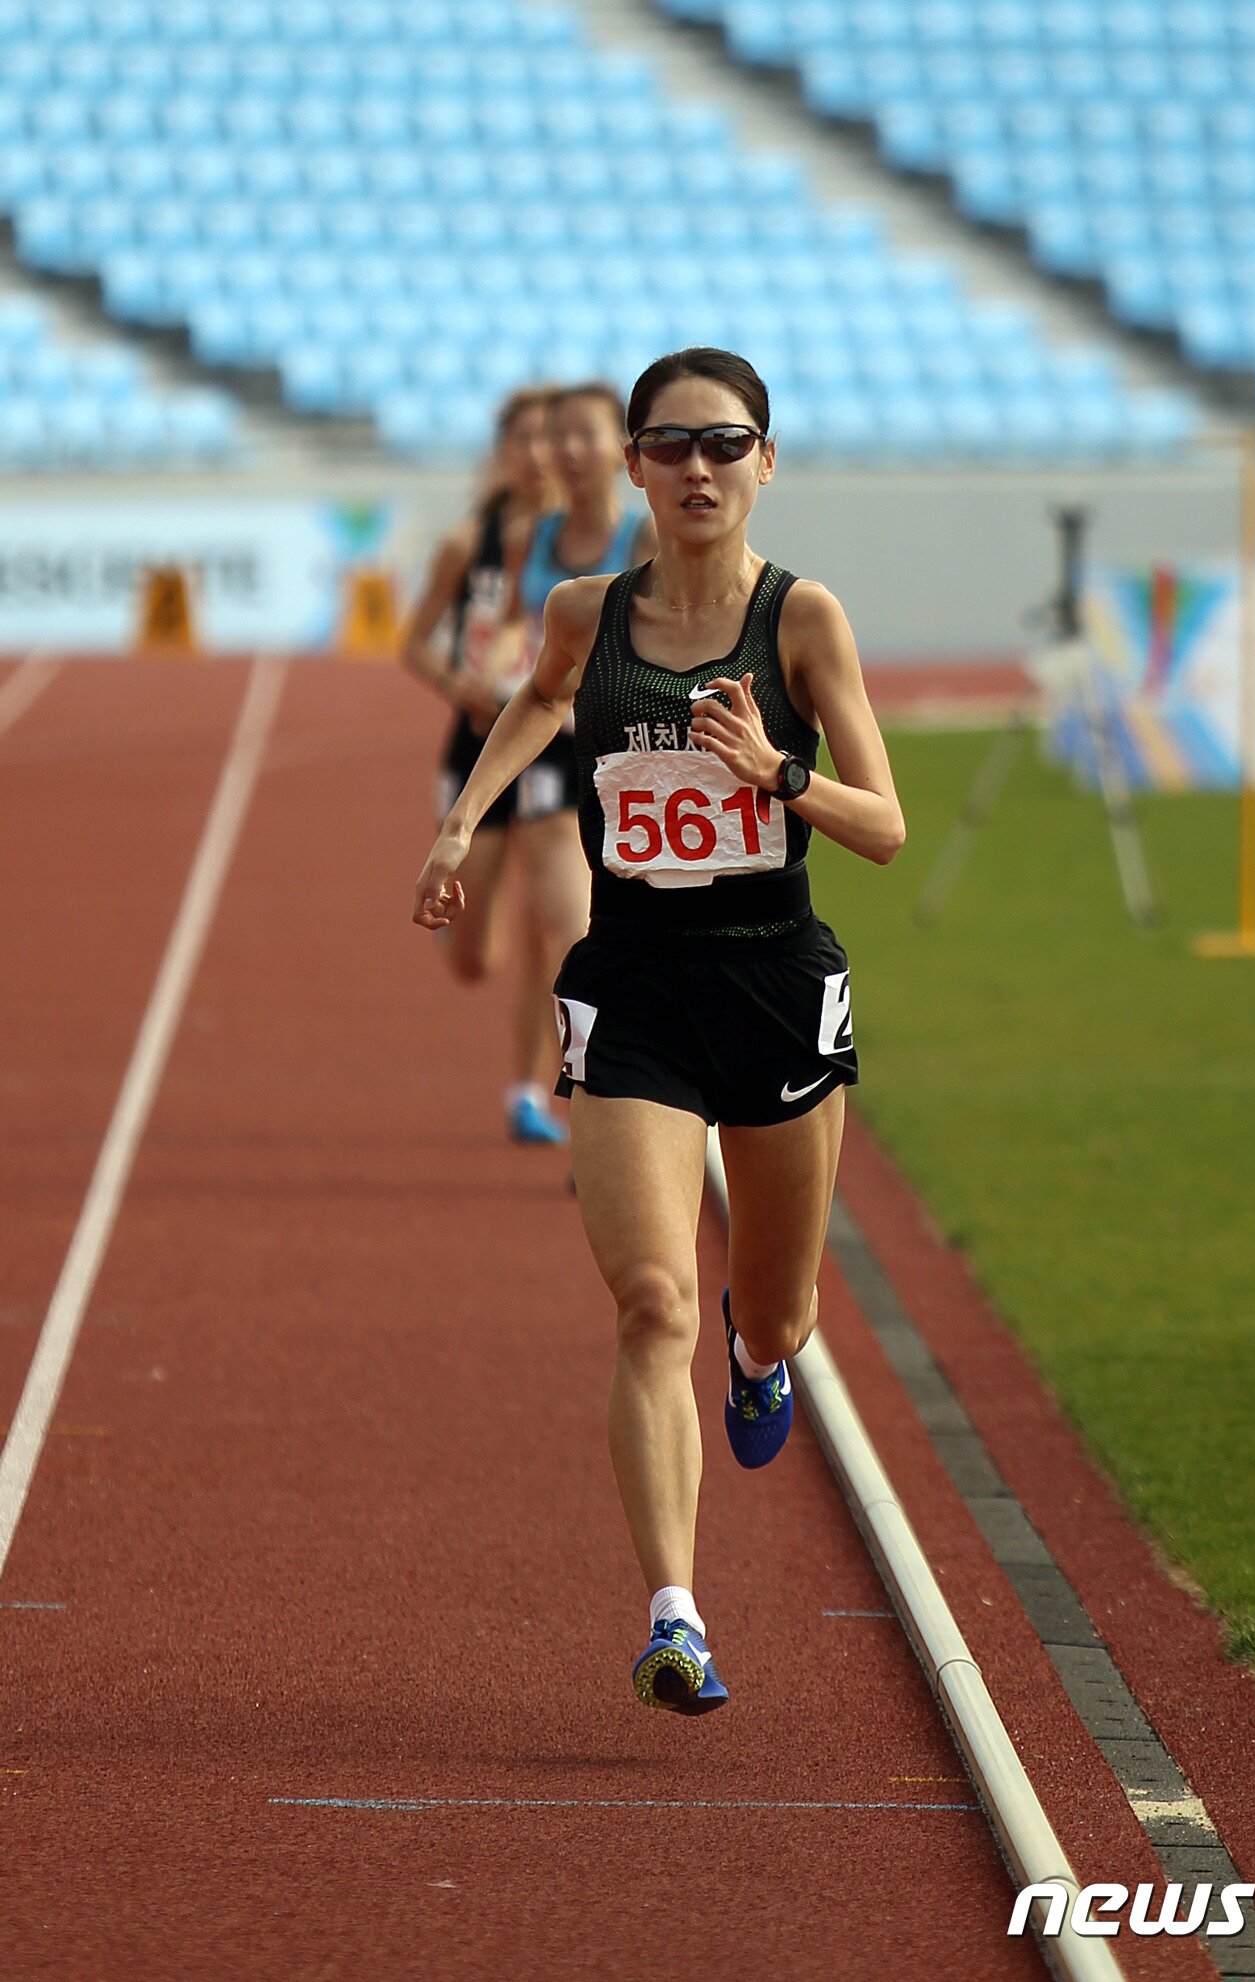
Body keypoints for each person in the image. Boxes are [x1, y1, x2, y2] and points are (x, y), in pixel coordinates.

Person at [412, 348, 905, 1714]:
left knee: (777, 1307)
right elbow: (540, 695)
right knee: (649, 1299)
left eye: (725, 442)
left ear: (766, 460)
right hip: (632, 985)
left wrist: (777, 772)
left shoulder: (803, 620)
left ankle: (759, 1354)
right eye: (672, 444)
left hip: (772, 983)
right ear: (634, 464)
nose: (699, 467)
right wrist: (460, 822)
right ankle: (675, 1615)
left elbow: (883, 825)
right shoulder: (586, 611)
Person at [467, 382, 657, 1141]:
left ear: (625, 452)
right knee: (573, 934)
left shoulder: (643, 538)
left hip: (627, 759)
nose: (567, 451)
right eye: (558, 436)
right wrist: (498, 673)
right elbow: (514, 626)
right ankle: (587, 1102)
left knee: (620, 938)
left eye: (586, 434)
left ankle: (616, 1098)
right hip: (550, 752)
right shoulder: (533, 537)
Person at [399, 385, 574, 1144]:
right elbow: (412, 643)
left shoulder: (592, 544)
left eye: (551, 439)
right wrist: (459, 683)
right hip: (478, 743)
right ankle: (465, 931)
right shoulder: (469, 544)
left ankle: (530, 1093)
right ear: (502, 453)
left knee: (555, 924)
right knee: (476, 960)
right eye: (523, 440)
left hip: (558, 744)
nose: (538, 455)